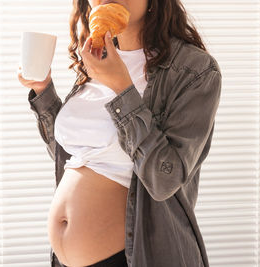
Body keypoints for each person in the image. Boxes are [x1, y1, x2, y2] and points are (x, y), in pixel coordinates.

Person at [17, 0, 222, 266]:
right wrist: (43, 91)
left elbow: (164, 180)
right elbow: (78, 156)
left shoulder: (194, 70)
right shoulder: (96, 56)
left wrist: (121, 87)